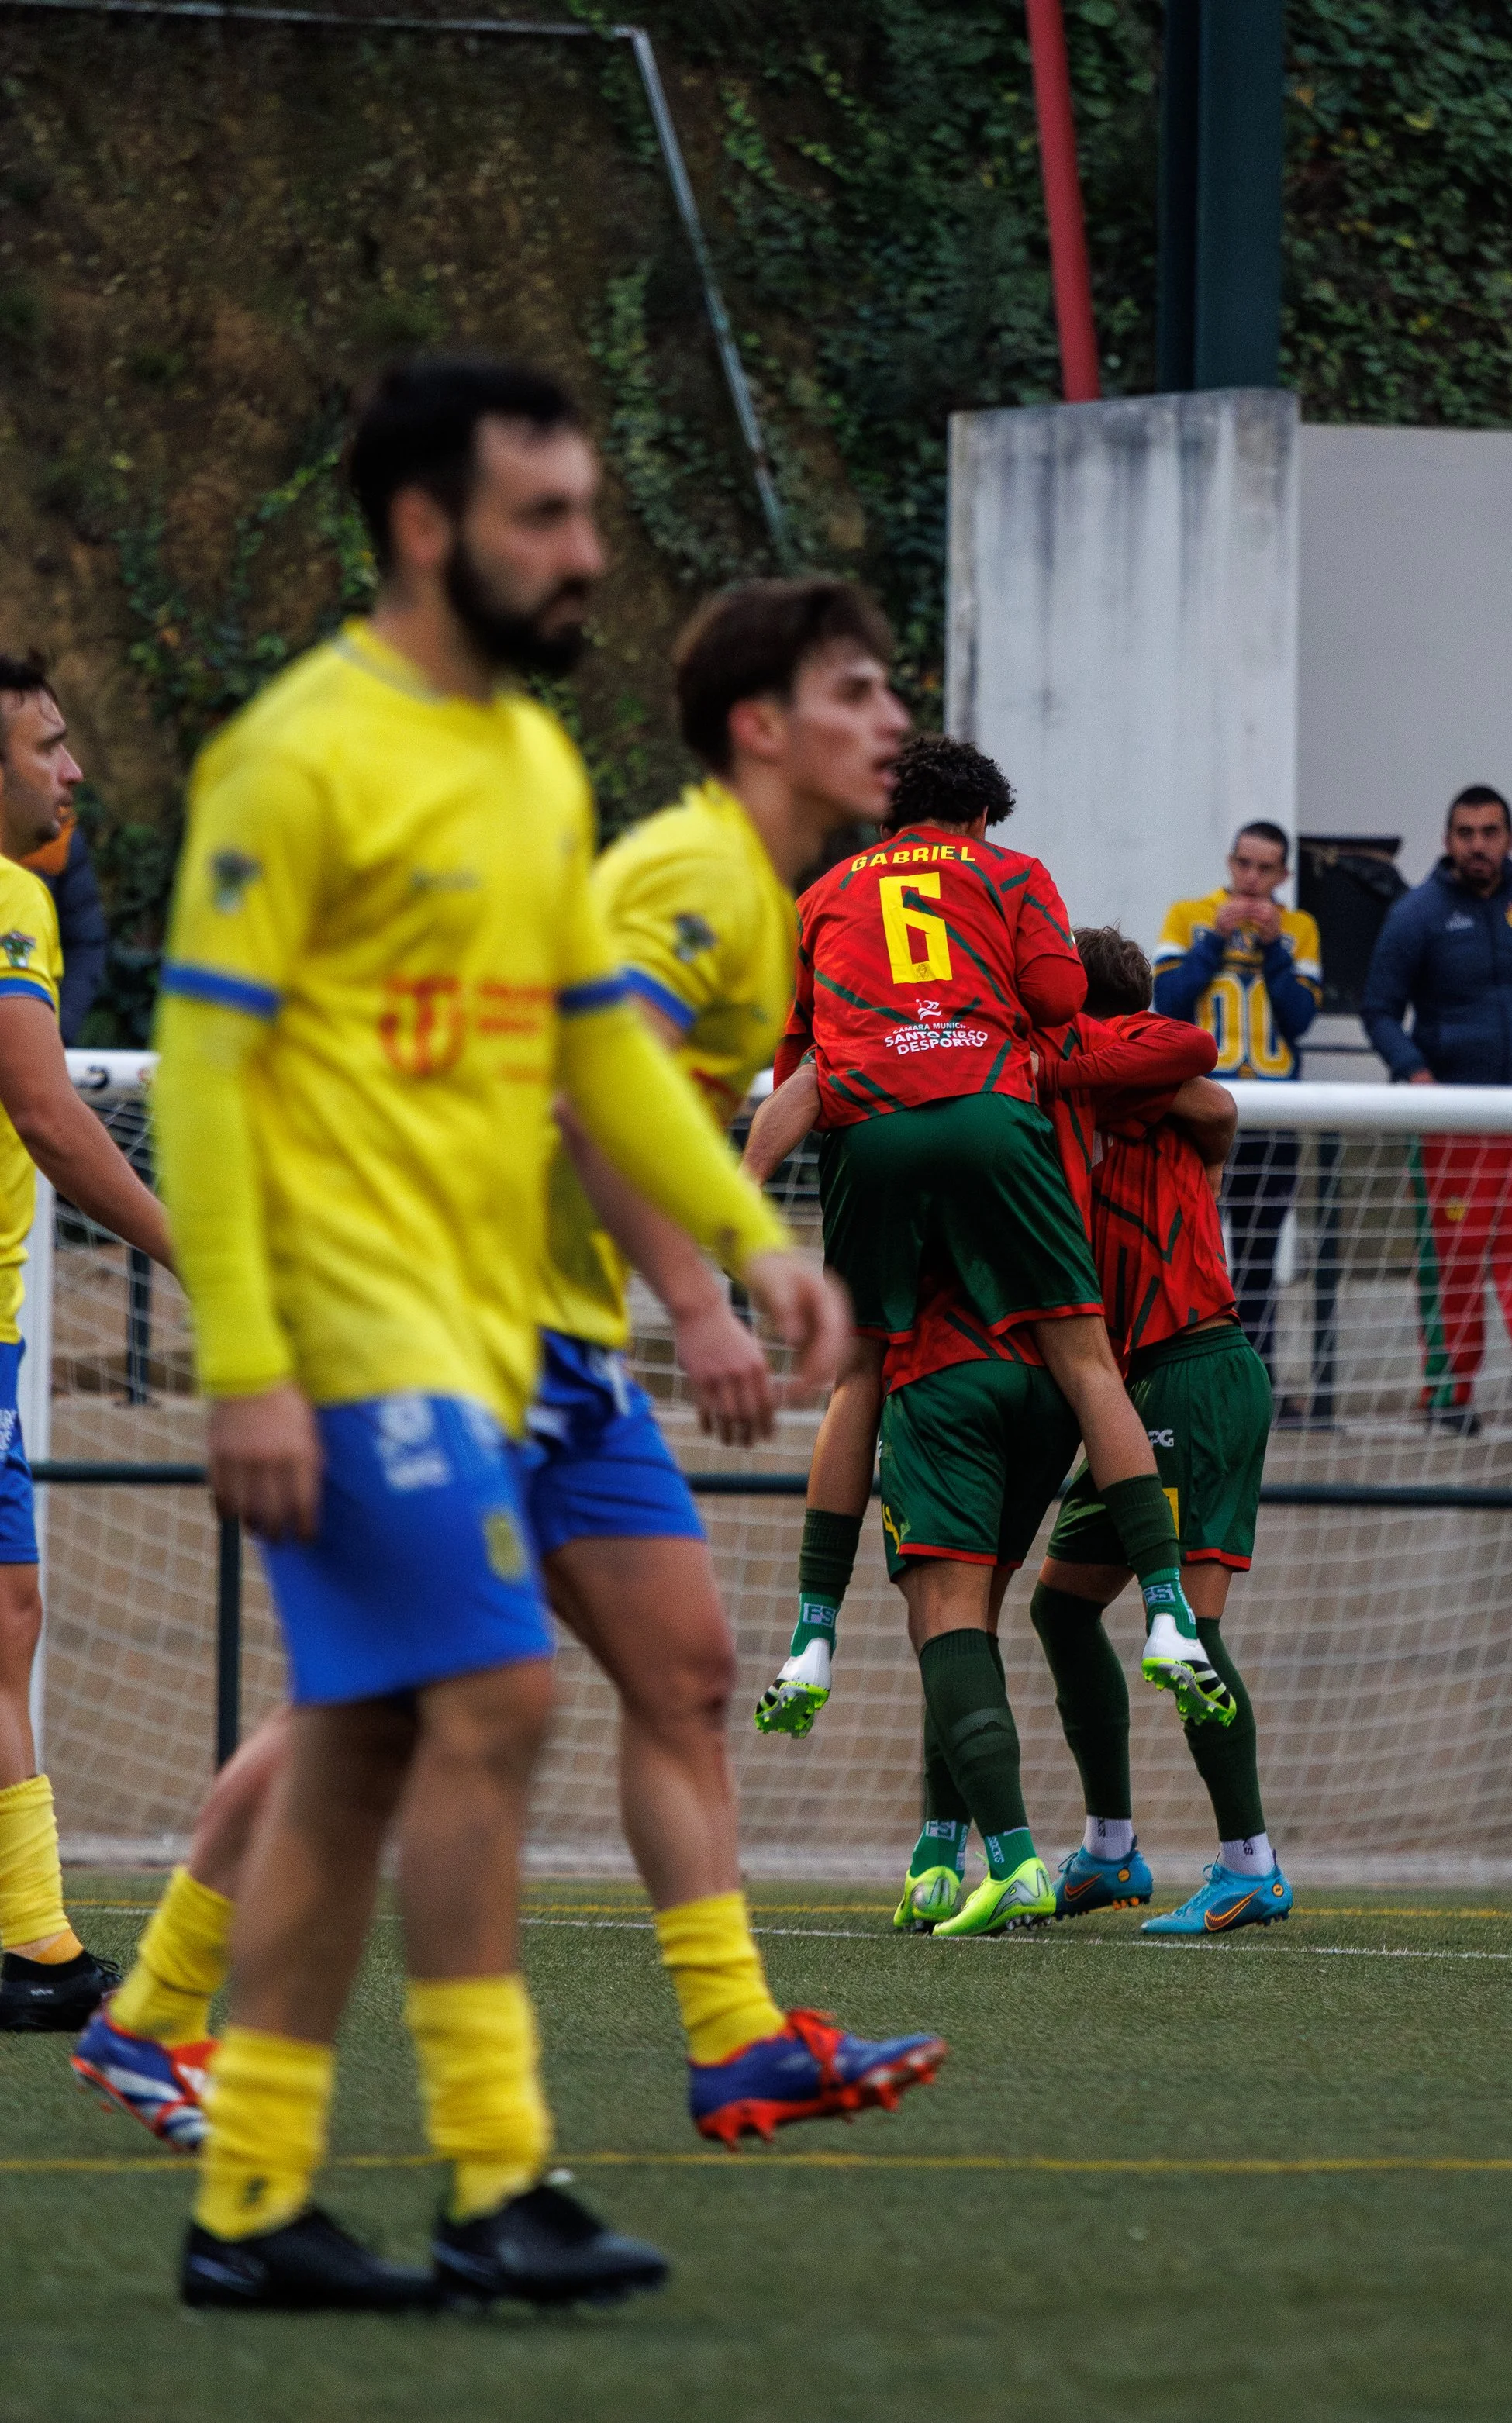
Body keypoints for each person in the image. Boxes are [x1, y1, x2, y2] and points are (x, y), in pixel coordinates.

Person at [74, 578, 946, 2159]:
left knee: (681, 1666)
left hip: (560, 1348)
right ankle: (168, 2025)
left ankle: (737, 2036)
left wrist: (722, 1259)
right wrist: (703, 1286)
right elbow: (569, 1089)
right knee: (380, 1703)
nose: (894, 719)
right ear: (762, 726)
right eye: (860, 690)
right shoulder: (684, 877)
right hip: (462, 1327)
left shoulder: (759, 897)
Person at [147, 357, 841, 2314]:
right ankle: (496, 2173)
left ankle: (254, 2201)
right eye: (546, 516)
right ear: (426, 528)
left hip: (476, 1333)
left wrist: (737, 1243)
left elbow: (586, 1059)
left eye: (589, 514)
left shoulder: (534, 767)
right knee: (506, 1702)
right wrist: (250, 1360)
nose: (586, 554)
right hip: (345, 1332)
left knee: (366, 1751)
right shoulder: (293, 756)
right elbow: (201, 1077)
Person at [751, 737, 1228, 1775]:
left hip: (869, 1131)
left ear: (891, 818)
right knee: (1087, 1358)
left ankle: (810, 1630)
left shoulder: (823, 896)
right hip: (990, 1128)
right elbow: (1071, 1004)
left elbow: (800, 1066)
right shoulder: (1010, 876)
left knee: (858, 1379)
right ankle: (1166, 1611)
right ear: (978, 820)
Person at [1030, 927, 1290, 1936]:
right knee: (1062, 1609)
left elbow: (1209, 1088)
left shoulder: (1142, 1080)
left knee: (1191, 1631)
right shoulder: (1071, 1096)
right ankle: (1108, 1851)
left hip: (1194, 1371)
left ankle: (1250, 1863)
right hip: (1139, 1391)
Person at [0, 655, 178, 2031]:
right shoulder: (12, 902)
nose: (70, 774)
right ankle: (34, 1949)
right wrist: (196, 1256)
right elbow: (53, 1120)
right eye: (49, 748)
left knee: (9, 1617)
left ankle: (33, 1939)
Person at [1361, 784, 1512, 1434]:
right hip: (1449, 1121)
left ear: (1510, 839)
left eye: (1490, 832)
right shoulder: (1417, 914)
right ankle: (1449, 1392)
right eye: (1465, 832)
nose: (1478, 845)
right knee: (1453, 1256)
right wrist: (1417, 1075)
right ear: (1447, 840)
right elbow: (1378, 1010)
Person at [1152, 820, 1323, 1414]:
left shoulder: (1300, 930)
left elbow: (1301, 1018)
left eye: (1265, 868)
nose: (1251, 879)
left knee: (1258, 1251)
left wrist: (1275, 950)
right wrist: (1212, 946)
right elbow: (1166, 1003)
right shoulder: (1188, 916)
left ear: (1284, 876)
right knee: (1193, 1247)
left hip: (1274, 1115)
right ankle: (1185, 1376)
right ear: (1230, 863)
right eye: (1243, 865)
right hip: (1200, 1111)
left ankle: (1258, 1381)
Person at [21, 808, 109, 1044]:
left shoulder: (59, 834)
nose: (71, 775)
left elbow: (86, 944)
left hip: (37, 1037)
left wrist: (57, 1030)